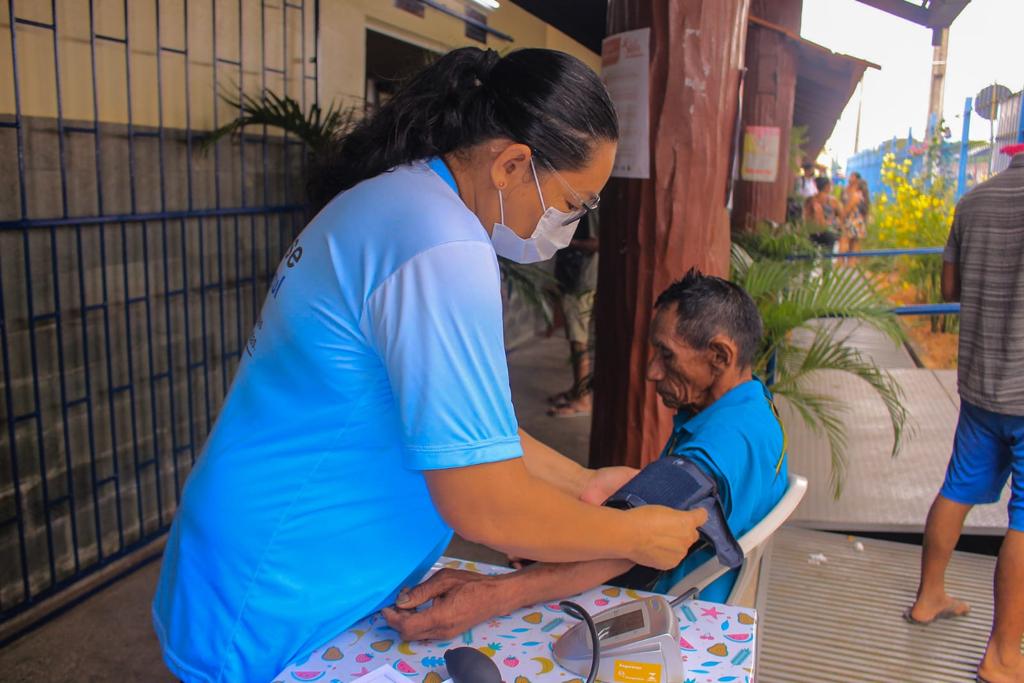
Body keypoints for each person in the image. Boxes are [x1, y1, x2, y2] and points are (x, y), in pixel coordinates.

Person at [151, 47, 707, 683]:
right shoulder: (441, 245)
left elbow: (473, 432)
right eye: (574, 203)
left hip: (289, 565)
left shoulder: (406, 201)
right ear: (513, 163)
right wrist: (632, 538)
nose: (572, 225)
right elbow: (486, 505)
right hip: (277, 585)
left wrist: (584, 483)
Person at [384, 271, 790, 641]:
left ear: (720, 356)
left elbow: (625, 549)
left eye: (666, 355)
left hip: (667, 608)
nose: (652, 371)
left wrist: (493, 594)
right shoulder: (750, 406)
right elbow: (617, 507)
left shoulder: (717, 448)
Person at [906, 148, 1024, 683]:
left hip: (980, 386)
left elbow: (949, 290)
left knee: (956, 490)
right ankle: (1002, 656)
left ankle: (929, 597)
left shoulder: (973, 201)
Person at [548, 212, 599, 418]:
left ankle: (583, 399)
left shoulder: (593, 207)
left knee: (579, 341)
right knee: (577, 339)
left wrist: (567, 242)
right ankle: (577, 390)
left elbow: (596, 243)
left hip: (582, 281)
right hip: (578, 279)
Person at [804, 176, 841, 252]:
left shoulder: (810, 200)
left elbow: (806, 217)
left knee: (809, 254)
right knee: (827, 255)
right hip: (829, 232)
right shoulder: (833, 200)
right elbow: (841, 215)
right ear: (827, 186)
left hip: (812, 232)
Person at [839, 171, 868, 256]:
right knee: (852, 243)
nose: (850, 178)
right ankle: (849, 265)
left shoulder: (856, 194)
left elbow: (848, 208)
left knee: (846, 241)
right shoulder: (846, 191)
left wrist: (841, 218)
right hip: (854, 219)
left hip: (852, 219)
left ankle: (846, 265)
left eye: (852, 176)